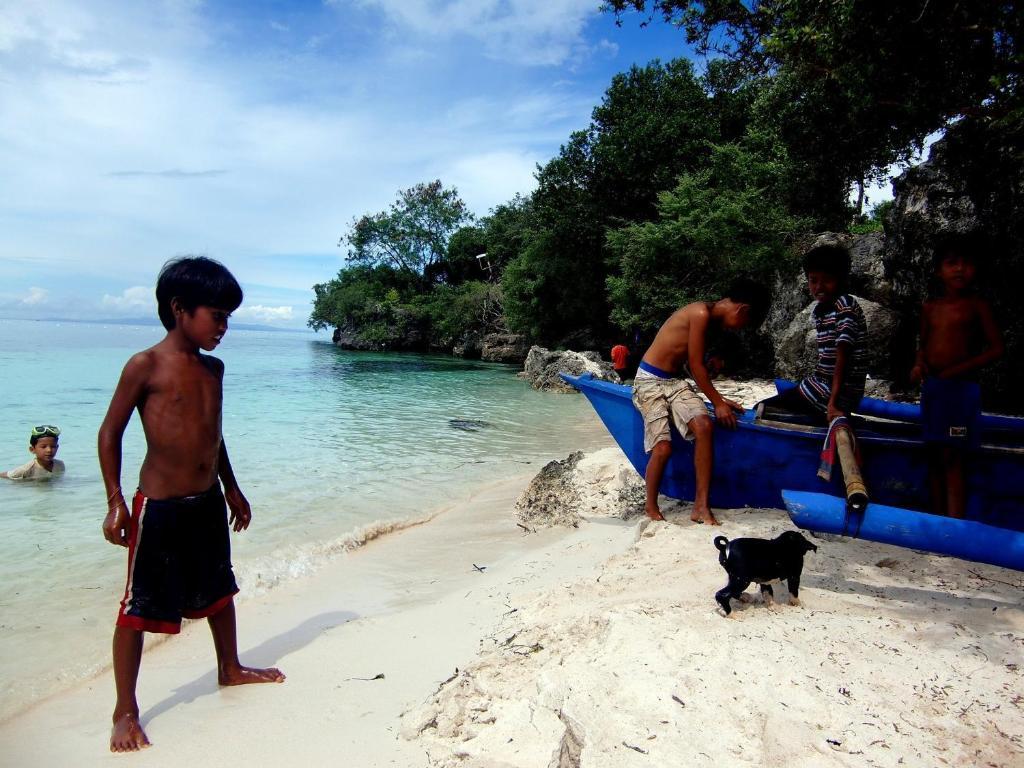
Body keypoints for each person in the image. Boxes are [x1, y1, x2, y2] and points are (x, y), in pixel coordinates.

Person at [98, 256, 285, 753]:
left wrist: (232, 487)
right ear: (180, 308)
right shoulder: (145, 365)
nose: (224, 328)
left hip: (205, 503)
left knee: (219, 589)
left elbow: (213, 435)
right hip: (158, 507)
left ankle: (229, 666)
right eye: (217, 316)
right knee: (137, 608)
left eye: (228, 318)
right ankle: (125, 709)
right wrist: (116, 502)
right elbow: (110, 432)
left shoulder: (214, 369)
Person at [633, 278, 770, 524]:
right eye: (745, 323)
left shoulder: (711, 321)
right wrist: (717, 402)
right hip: (649, 382)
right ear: (743, 310)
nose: (739, 328)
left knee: (704, 426)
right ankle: (651, 507)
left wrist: (719, 398)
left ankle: (700, 506)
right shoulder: (699, 313)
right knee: (663, 448)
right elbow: (696, 367)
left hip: (674, 382)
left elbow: (687, 363)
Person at [910, 234, 1003, 518]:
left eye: (966, 264)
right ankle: (939, 519)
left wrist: (959, 369)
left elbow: (997, 348)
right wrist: (918, 365)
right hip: (935, 389)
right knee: (935, 454)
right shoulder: (929, 308)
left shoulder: (977, 306)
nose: (960, 269)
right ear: (939, 270)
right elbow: (922, 345)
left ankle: (954, 522)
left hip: (962, 390)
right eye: (952, 263)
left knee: (955, 457)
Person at [757, 244, 867, 425]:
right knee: (768, 407)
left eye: (827, 280)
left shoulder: (844, 305)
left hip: (833, 393)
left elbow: (843, 358)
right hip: (821, 387)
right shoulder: (821, 310)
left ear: (841, 279)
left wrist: (833, 404)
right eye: (813, 280)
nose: (819, 287)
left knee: (762, 410)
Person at [1, 425, 65, 480]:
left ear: (57, 448)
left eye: (53, 446)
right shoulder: (26, 470)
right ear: (32, 450)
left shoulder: (60, 465)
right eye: (43, 447)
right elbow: (6, 476)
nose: (49, 450)